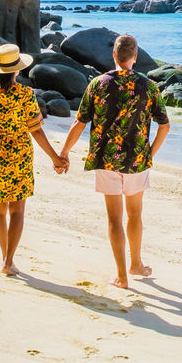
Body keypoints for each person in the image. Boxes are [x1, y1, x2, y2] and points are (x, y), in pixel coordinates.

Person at [58, 33, 170, 288]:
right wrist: (150, 153)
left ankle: (122, 275)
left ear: (114, 55)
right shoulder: (148, 86)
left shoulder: (98, 84)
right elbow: (165, 126)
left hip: (106, 159)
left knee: (114, 218)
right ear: (135, 57)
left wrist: (63, 153)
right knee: (135, 214)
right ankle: (136, 264)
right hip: (137, 161)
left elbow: (79, 123)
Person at [0, 43, 67, 275]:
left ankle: (5, 257)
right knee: (17, 210)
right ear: (17, 70)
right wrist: (55, 158)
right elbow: (35, 130)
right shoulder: (25, 94)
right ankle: (8, 260)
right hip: (19, 155)